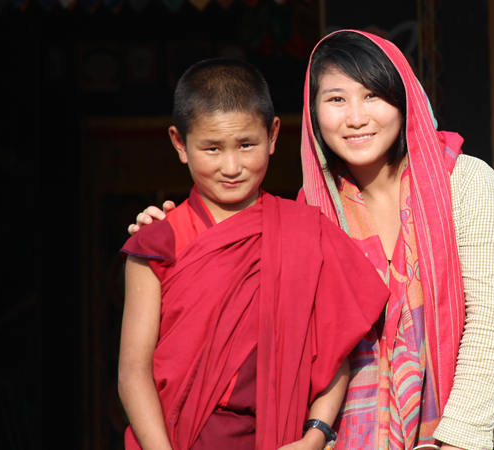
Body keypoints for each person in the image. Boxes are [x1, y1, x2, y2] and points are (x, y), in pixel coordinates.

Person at [131, 31, 494, 450]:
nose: (356, 118)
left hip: (472, 435)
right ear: (313, 111)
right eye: (336, 99)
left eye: (372, 95)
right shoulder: (310, 213)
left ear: (403, 100)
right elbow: (306, 349)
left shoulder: (465, 185)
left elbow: (490, 324)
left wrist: (454, 443)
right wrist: (169, 230)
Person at [118, 57, 390, 450]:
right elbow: (133, 371)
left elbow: (334, 355)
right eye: (212, 148)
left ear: (273, 135)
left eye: (247, 145)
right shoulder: (158, 241)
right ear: (180, 143)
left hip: (281, 439)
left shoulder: (306, 233)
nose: (232, 167)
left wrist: (315, 437)